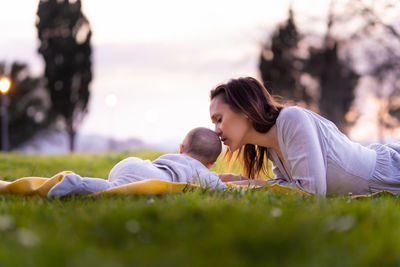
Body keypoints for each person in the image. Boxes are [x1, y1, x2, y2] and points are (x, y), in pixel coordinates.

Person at [209, 76, 400, 196]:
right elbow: (291, 187)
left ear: (244, 110)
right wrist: (241, 181)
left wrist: (248, 185)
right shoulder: (271, 146)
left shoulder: (291, 119)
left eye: (219, 119)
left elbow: (312, 192)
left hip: (392, 171)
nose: (216, 130)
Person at [48, 127, 226, 197]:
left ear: (181, 148)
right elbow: (218, 187)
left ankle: (80, 182)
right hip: (147, 177)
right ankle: (77, 183)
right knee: (113, 189)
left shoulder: (176, 157)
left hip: (134, 163)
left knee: (114, 184)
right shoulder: (199, 170)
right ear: (210, 164)